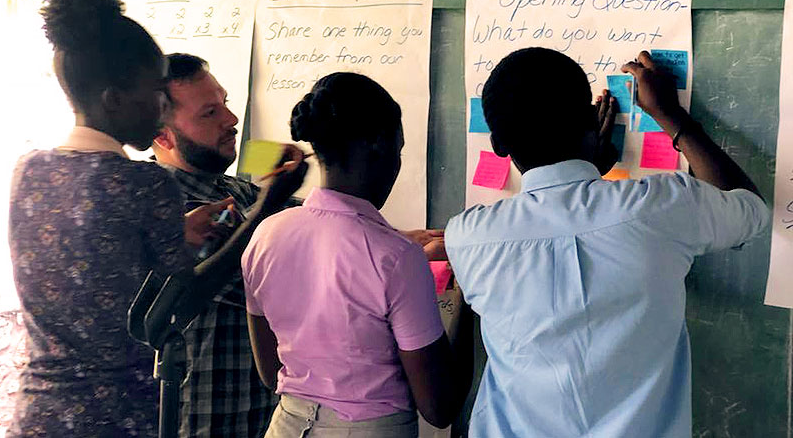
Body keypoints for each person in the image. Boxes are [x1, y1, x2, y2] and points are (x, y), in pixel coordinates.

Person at [444, 48, 770, 437]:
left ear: (498, 144)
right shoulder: (662, 206)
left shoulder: (466, 238)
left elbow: (556, 232)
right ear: (589, 118)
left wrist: (583, 177)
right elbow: (751, 211)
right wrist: (672, 117)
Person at [241, 72, 473, 437]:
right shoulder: (396, 259)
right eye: (398, 152)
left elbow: (271, 372)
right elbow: (439, 406)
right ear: (377, 146)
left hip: (286, 424)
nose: (396, 167)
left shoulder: (266, 234)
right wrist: (467, 299)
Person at [8, 0, 181, 437]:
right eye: (158, 94)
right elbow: (183, 299)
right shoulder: (145, 184)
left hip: (36, 417)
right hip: (116, 420)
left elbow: (90, 256)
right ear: (114, 100)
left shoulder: (27, 171)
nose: (164, 109)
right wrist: (266, 206)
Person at [151, 53, 307, 438]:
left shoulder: (238, 190)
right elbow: (259, 276)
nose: (231, 120)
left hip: (266, 418)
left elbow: (323, 226)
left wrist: (408, 241)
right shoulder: (162, 211)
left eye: (225, 103)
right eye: (209, 113)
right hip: (206, 420)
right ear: (162, 136)